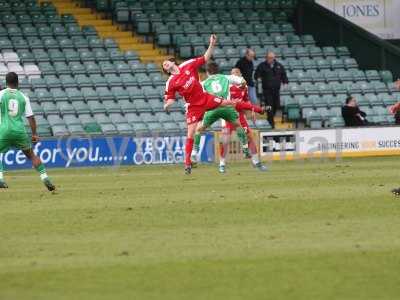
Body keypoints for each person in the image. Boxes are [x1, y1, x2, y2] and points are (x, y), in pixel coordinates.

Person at [162, 34, 235, 174]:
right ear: (166, 70)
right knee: (190, 134)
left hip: (205, 97)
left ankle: (252, 109)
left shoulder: (187, 65)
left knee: (228, 103)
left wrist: (212, 44)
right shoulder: (170, 82)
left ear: (172, 62)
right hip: (193, 107)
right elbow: (170, 98)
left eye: (166, 62)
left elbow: (205, 58)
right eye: (163, 66)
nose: (164, 65)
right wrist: (167, 105)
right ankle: (187, 163)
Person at [190, 61, 251, 171]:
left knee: (199, 130)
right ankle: (246, 149)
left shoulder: (204, 83)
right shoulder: (226, 77)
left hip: (212, 108)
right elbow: (243, 81)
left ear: (207, 72)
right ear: (218, 70)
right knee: (238, 126)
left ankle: (194, 153)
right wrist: (242, 86)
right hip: (227, 107)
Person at [0, 72, 55, 191]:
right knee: (32, 155)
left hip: (4, 130)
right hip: (19, 131)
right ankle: (44, 177)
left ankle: (0, 178)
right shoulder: (24, 97)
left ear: (6, 82)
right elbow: (30, 117)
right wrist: (34, 134)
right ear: (17, 82)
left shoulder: (1, 94)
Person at [217, 68, 267, 173]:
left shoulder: (244, 87)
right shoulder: (226, 86)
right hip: (228, 115)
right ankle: (222, 164)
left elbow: (246, 101)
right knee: (225, 140)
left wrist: (253, 110)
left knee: (250, 136)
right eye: (232, 74)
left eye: (236, 73)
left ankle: (256, 162)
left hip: (240, 115)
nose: (234, 75)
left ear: (240, 75)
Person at [254, 51, 288, 129]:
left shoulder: (279, 66)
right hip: (267, 90)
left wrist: (285, 82)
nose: (271, 59)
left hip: (276, 90)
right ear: (266, 58)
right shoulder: (262, 66)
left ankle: (270, 119)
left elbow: (284, 75)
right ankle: (271, 123)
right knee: (269, 106)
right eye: (269, 58)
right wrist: (258, 78)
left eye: (272, 58)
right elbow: (256, 75)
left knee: (276, 105)